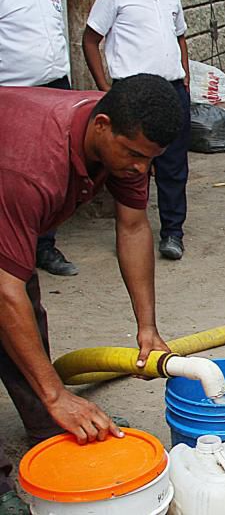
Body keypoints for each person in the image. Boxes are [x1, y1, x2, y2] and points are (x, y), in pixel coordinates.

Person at [0, 75, 181, 510]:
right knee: (10, 301)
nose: (141, 167)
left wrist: (147, 328)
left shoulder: (123, 146)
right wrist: (58, 392)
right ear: (101, 125)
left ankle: (49, 425)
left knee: (24, 314)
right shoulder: (30, 168)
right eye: (135, 155)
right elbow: (4, 293)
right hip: (11, 177)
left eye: (150, 159)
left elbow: (134, 227)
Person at [83, 0, 191, 261]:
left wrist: (185, 78)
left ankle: (173, 232)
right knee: (130, 167)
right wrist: (103, 86)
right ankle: (131, 228)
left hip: (172, 90)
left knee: (174, 165)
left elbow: (180, 37)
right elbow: (91, 39)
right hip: (132, 93)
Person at [0, 0, 80, 277]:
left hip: (57, 87)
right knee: (17, 172)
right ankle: (14, 249)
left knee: (56, 168)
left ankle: (44, 246)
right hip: (15, 92)